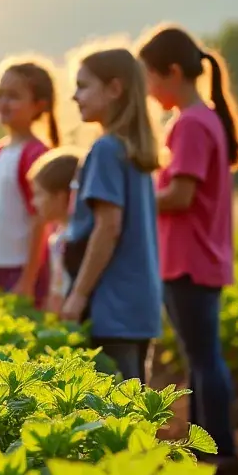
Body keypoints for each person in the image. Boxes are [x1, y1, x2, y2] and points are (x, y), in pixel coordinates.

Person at [140, 25, 238, 467]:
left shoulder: (189, 124)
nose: (148, 90)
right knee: (200, 358)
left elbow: (180, 196)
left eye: (149, 79)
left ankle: (218, 449)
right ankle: (208, 445)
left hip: (190, 259)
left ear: (171, 72)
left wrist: (136, 198)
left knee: (204, 360)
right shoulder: (201, 119)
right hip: (198, 256)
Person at [61, 49, 161, 384]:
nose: (74, 96)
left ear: (114, 89)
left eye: (83, 86)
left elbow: (108, 227)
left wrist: (78, 295)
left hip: (111, 305)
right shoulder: (134, 151)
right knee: (136, 402)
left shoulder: (106, 150)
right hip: (139, 304)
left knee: (116, 407)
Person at [0, 57, 61, 304]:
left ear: (38, 105)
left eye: (13, 96)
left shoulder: (35, 153)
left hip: (22, 268)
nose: (2, 102)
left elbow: (40, 220)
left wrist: (27, 280)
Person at [26, 148, 82, 315]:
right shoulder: (58, 237)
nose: (34, 202)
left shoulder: (73, 240)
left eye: (38, 195)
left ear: (61, 197)